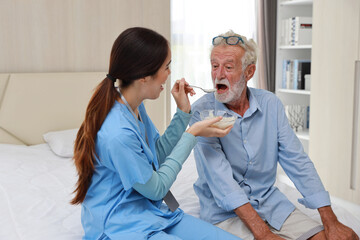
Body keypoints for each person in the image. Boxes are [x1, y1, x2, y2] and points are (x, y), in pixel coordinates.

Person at [71, 27, 241, 240]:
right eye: (166, 67)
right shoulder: (117, 134)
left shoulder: (132, 106)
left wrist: (183, 114)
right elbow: (157, 188)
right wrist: (192, 135)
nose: (170, 74)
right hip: (120, 227)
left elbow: (155, 158)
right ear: (144, 76)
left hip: (150, 213)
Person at [189, 30, 359, 240]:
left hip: (270, 203)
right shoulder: (201, 112)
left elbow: (297, 161)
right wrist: (264, 233)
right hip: (224, 213)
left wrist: (330, 220)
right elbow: (221, 180)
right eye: (215, 66)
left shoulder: (270, 104)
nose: (219, 74)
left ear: (249, 72)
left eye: (229, 67)